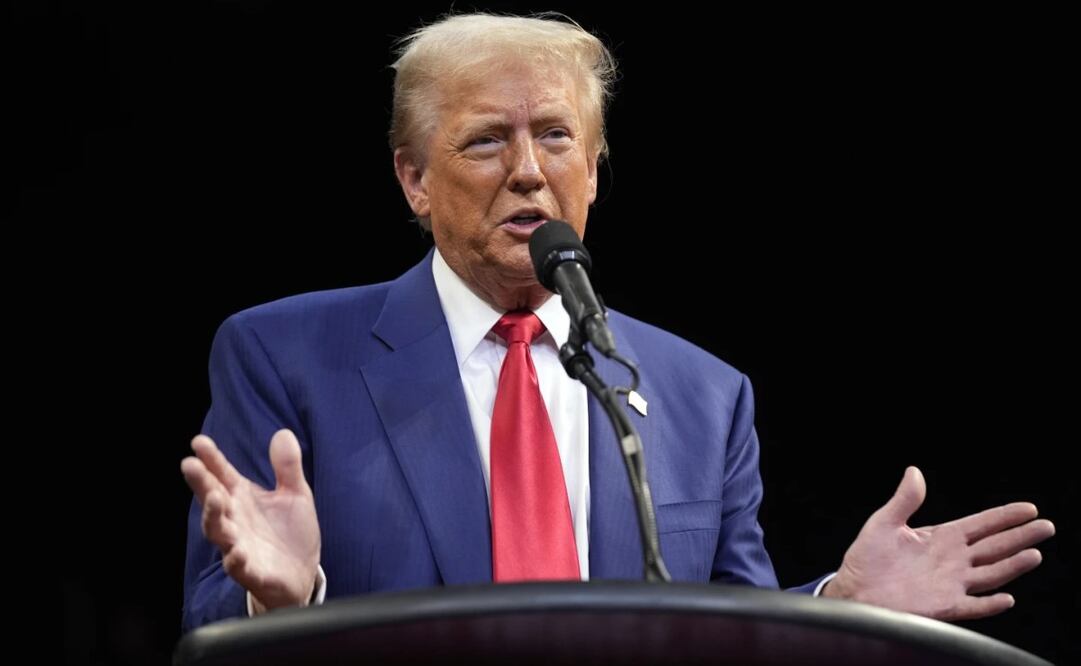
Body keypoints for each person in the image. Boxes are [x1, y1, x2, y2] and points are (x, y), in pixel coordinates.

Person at [180, 12, 1054, 631]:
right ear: (414, 179)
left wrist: (838, 608)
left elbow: (730, 634)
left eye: (556, 137)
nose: (528, 171)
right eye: (486, 140)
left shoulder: (703, 395)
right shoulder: (286, 356)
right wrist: (281, 601)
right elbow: (210, 620)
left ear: (594, 172)